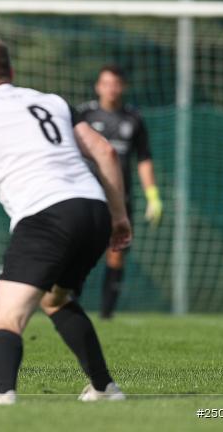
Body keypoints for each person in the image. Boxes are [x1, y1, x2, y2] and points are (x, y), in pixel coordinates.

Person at [0, 36, 131, 404]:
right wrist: (119, 217)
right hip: (93, 209)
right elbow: (104, 152)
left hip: (45, 215)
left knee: (7, 318)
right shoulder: (53, 101)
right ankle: (104, 387)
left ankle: (2, 392)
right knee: (55, 298)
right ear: (12, 72)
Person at [77, 65, 162, 319]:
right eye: (106, 83)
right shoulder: (85, 115)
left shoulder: (133, 118)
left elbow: (144, 159)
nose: (111, 89)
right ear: (98, 86)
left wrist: (153, 196)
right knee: (78, 251)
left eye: (116, 83)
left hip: (120, 199)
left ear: (123, 87)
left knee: (116, 254)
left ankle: (106, 314)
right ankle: (67, 307)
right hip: (87, 195)